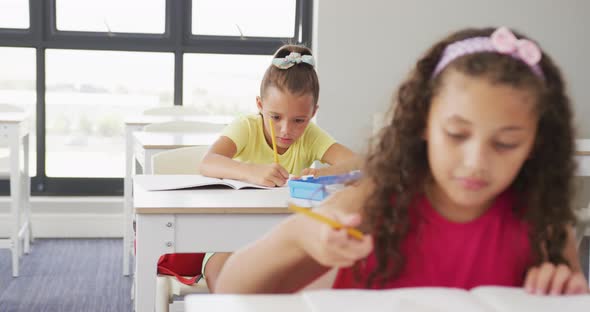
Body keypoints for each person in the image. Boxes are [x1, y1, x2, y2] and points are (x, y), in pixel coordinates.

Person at [215, 27, 589, 295]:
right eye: (457, 135)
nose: (476, 162)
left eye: (506, 143)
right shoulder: (371, 202)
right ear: (423, 122)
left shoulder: (543, 224)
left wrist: (566, 295)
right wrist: (301, 236)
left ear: (536, 144)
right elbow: (232, 289)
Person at [198, 44, 361, 292]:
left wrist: (321, 174)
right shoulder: (246, 127)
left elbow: (359, 164)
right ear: (260, 105)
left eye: (299, 120)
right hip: (231, 236)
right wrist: (253, 171)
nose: (286, 130)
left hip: (285, 239)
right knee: (221, 279)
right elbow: (208, 162)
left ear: (313, 113)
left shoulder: (311, 136)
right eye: (275, 117)